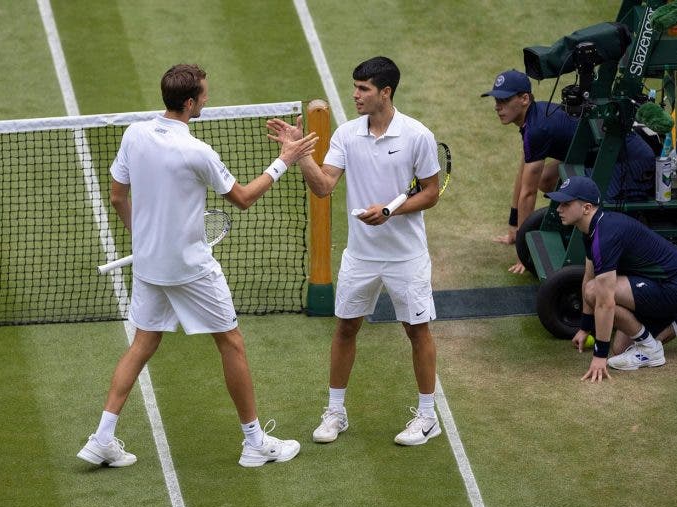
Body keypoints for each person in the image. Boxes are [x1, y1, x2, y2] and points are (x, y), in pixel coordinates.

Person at [77, 64, 318, 468]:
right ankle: (255, 443)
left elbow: (118, 196)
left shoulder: (134, 134)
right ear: (189, 103)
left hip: (150, 265)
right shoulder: (197, 152)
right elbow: (241, 198)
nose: (207, 98)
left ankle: (102, 438)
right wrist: (284, 161)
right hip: (190, 269)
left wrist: (147, 239)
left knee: (142, 343)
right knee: (231, 342)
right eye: (204, 94)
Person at [267, 56, 441, 446]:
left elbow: (431, 192)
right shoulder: (346, 134)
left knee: (417, 330)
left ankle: (428, 417)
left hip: (406, 256)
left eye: (363, 89)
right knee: (346, 327)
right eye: (355, 87)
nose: (355, 95)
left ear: (386, 92)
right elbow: (324, 186)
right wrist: (301, 155)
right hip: (360, 256)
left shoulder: (417, 136)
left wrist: (390, 210)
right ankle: (335, 412)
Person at [544, 176, 677, 383]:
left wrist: (599, 356)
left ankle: (651, 348)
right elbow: (589, 275)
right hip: (656, 283)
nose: (559, 209)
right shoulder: (591, 229)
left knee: (596, 292)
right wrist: (585, 327)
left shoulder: (605, 235)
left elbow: (604, 300)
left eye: (566, 204)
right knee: (621, 349)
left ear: (586, 208)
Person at [482, 69, 656, 274]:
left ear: (524, 99)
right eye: (496, 100)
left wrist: (523, 255)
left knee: (583, 204)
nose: (497, 107)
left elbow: (527, 194)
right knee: (546, 180)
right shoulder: (533, 118)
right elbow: (524, 172)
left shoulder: (537, 129)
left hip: (630, 161)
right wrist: (514, 228)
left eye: (504, 100)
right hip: (598, 153)